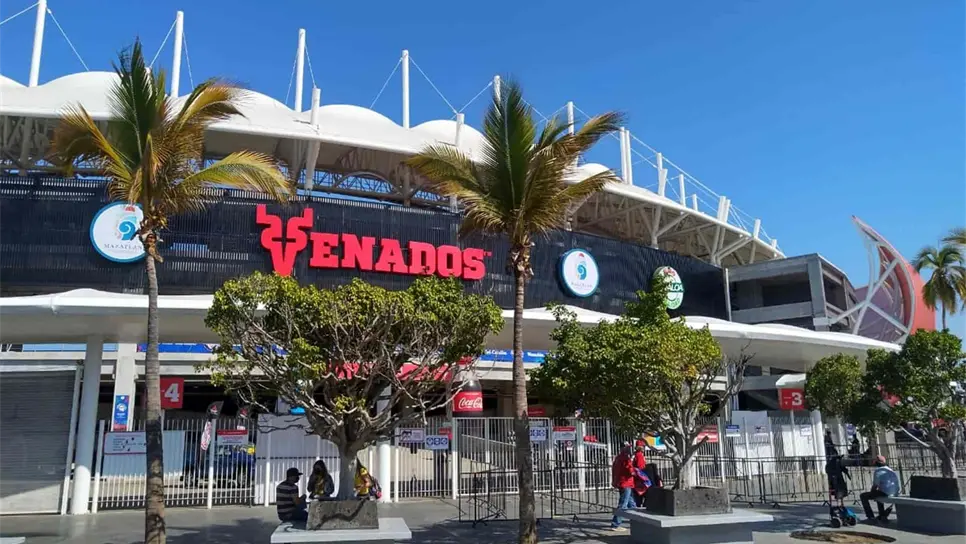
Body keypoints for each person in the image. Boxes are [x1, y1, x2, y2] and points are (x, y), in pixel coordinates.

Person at [860, 456, 899, 522]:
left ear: (877, 463)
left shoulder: (878, 471)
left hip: (886, 493)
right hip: (894, 492)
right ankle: (882, 515)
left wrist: (871, 493)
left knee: (863, 496)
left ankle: (870, 516)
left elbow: (875, 485)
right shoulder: (890, 469)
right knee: (878, 493)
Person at [609, 443, 636, 531]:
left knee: (632, 504)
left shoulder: (618, 458)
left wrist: (615, 482)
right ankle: (615, 524)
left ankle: (637, 522)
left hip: (622, 483)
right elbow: (630, 470)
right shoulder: (625, 459)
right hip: (626, 483)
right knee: (623, 504)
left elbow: (615, 470)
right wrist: (635, 472)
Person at [631, 440, 648, 507]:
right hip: (640, 478)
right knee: (641, 494)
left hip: (636, 478)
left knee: (636, 496)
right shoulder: (639, 455)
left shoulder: (635, 454)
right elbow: (640, 467)